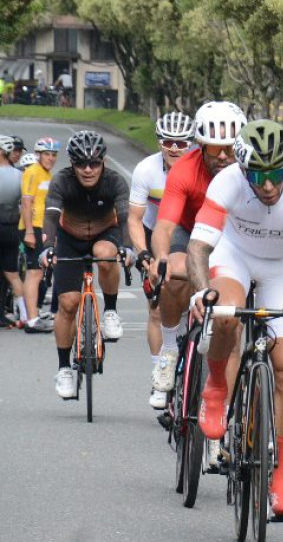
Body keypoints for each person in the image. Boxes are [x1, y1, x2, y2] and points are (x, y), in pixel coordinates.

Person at [188, 120, 283, 518]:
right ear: (243, 170)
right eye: (258, 176)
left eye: (277, 173)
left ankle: (281, 480)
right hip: (234, 256)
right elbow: (198, 248)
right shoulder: (225, 184)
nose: (270, 185)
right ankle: (216, 387)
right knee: (226, 316)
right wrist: (202, 290)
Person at [148, 101, 247, 399]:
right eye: (215, 149)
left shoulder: (248, 170)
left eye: (230, 148)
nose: (224, 156)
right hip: (190, 231)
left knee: (235, 321)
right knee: (174, 270)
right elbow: (164, 226)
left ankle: (223, 407)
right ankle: (169, 348)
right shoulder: (184, 170)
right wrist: (160, 257)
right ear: (201, 146)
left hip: (233, 238)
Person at [41, 131, 134, 399]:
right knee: (68, 304)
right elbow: (51, 216)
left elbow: (125, 215)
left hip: (105, 233)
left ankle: (111, 311)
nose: (88, 169)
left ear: (103, 161)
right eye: (81, 163)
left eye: (94, 163)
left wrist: (128, 247)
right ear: (72, 163)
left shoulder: (114, 181)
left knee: (105, 254)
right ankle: (63, 369)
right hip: (70, 239)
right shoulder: (62, 181)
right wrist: (47, 248)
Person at [129, 112, 194, 409]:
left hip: (191, 232)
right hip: (155, 234)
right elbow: (135, 218)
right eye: (168, 142)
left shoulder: (199, 169)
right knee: (156, 309)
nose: (174, 148)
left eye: (181, 143)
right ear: (159, 142)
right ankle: (161, 371)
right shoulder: (146, 170)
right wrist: (143, 253)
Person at [19, 137, 60, 332]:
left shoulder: (47, 174)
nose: (51, 158)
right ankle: (32, 320)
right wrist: (29, 231)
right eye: (47, 154)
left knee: (39, 272)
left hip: (43, 226)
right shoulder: (32, 171)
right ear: (38, 155)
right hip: (33, 227)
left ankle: (34, 315)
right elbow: (26, 202)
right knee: (34, 273)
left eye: (53, 155)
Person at [0, 135, 26, 328]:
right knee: (10, 272)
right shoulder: (19, 175)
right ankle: (24, 314)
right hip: (11, 227)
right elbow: (24, 204)